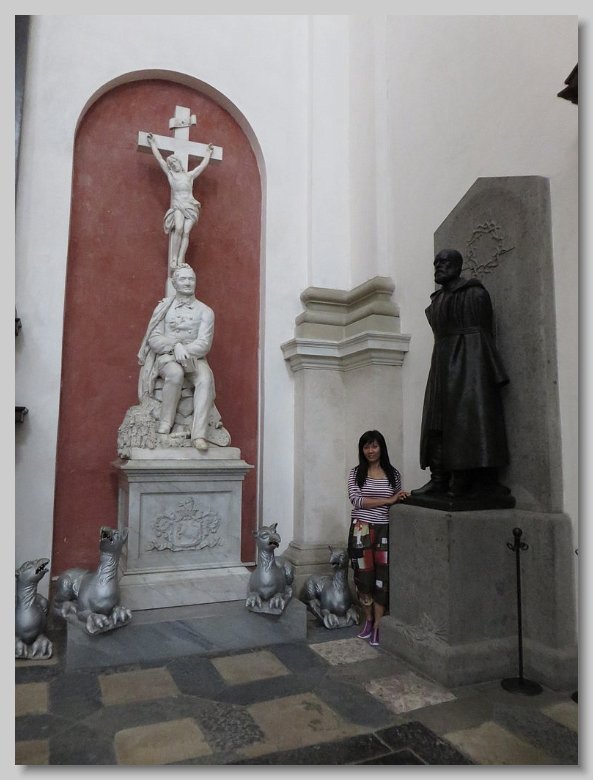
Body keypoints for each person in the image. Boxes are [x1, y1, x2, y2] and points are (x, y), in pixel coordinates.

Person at [412, 249, 510, 498]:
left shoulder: (474, 293)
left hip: (468, 363)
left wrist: (483, 369)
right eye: (436, 263)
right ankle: (438, 478)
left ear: (458, 266)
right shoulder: (437, 300)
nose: (438, 266)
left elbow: (483, 334)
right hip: (441, 363)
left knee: (466, 421)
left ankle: (466, 478)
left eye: (444, 262)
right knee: (436, 422)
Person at [137, 264, 215, 451]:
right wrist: (175, 347)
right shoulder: (163, 308)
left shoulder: (206, 311)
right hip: (166, 358)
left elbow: (204, 343)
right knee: (175, 373)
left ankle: (199, 435)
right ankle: (165, 423)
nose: (188, 282)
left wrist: (185, 350)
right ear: (174, 283)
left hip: (194, 358)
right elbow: (154, 338)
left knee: (205, 378)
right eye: (183, 279)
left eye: (191, 279)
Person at [347, 430, 409, 647]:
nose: (370, 451)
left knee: (382, 578)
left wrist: (399, 498)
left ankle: (378, 626)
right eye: (366, 447)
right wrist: (388, 500)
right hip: (361, 530)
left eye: (374, 446)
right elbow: (356, 500)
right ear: (362, 450)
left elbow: (397, 499)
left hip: (385, 529)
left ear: (381, 448)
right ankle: (368, 620)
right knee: (363, 577)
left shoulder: (393, 474)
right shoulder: (356, 473)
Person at [146, 133, 215, 269]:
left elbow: (201, 166)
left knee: (186, 232)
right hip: (178, 205)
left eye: (175, 163)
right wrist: (152, 143)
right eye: (171, 164)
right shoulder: (171, 175)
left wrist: (208, 153)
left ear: (179, 163)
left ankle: (180, 259)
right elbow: (160, 159)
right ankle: (173, 258)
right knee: (178, 228)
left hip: (191, 206)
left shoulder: (189, 176)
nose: (173, 165)